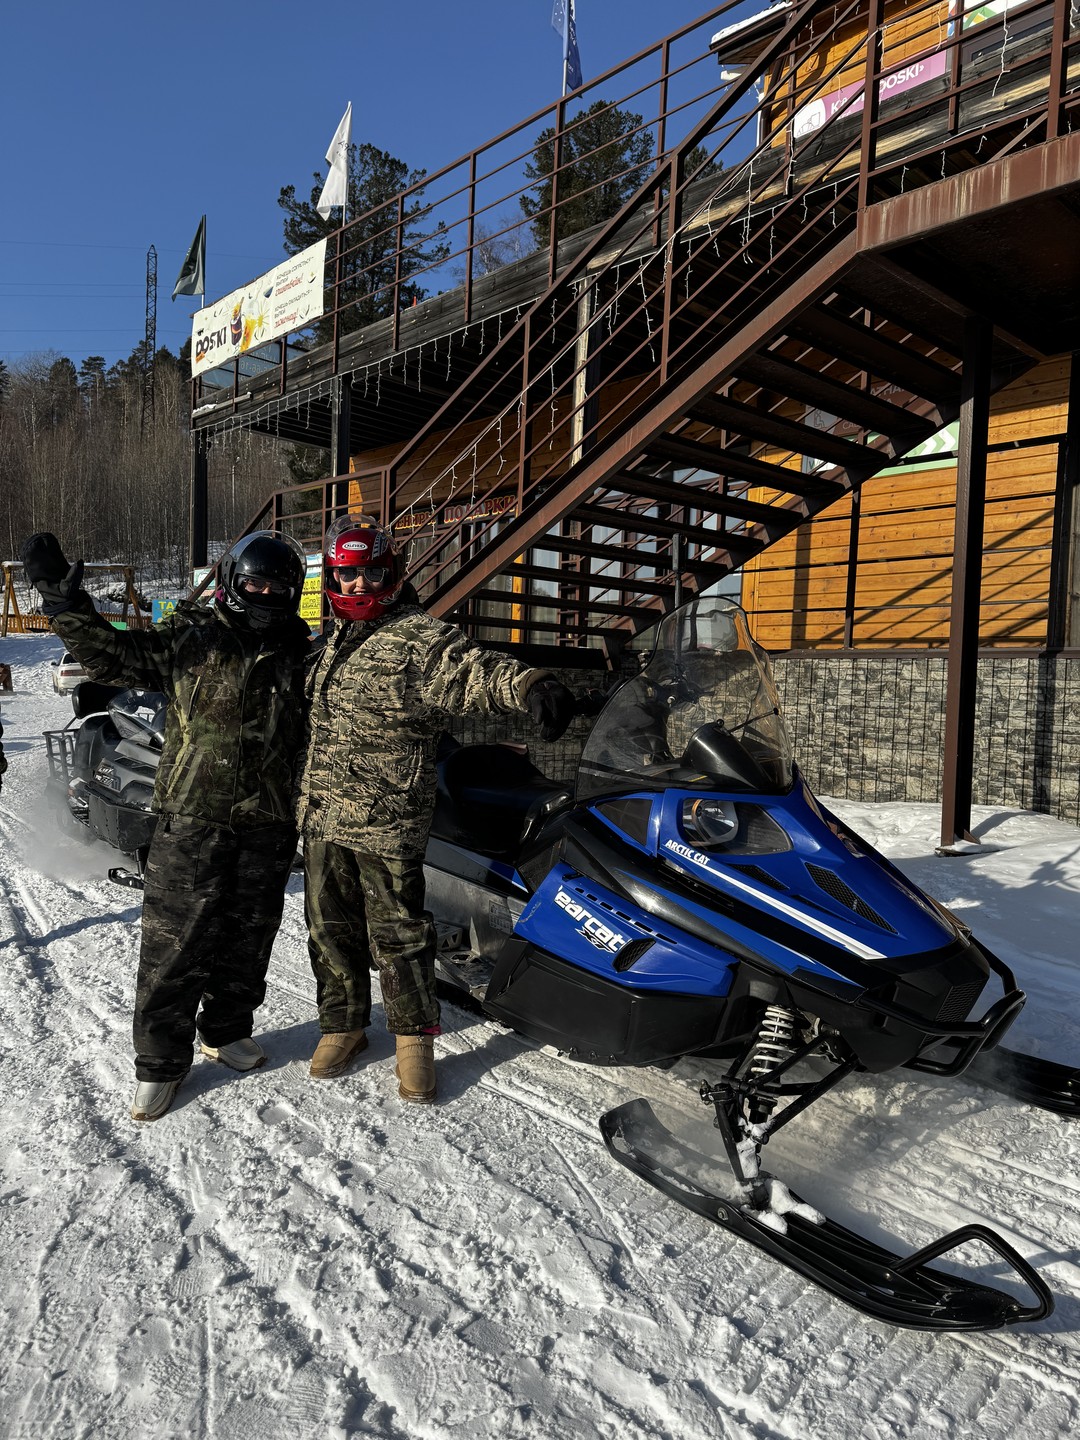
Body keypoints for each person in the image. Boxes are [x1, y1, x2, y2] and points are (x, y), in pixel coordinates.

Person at [21, 530, 312, 1123]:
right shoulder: (193, 640)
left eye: (277, 587)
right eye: (254, 582)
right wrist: (62, 601)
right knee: (173, 947)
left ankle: (226, 1030)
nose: (264, 593)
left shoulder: (301, 655)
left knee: (248, 941)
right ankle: (159, 1063)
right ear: (234, 582)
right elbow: (109, 655)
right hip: (192, 821)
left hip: (269, 824)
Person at [297, 514, 576, 1104]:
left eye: (369, 574)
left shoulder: (415, 639)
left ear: (391, 575)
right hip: (322, 816)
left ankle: (412, 1038)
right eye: (346, 577)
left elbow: (471, 670)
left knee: (400, 934)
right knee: (328, 929)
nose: (356, 587)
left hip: (386, 818)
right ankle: (343, 1025)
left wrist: (530, 686)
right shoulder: (330, 645)